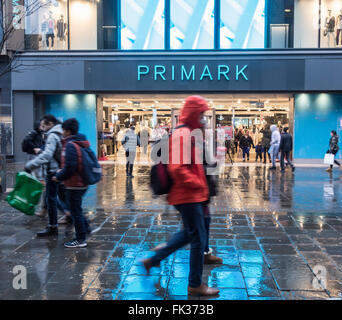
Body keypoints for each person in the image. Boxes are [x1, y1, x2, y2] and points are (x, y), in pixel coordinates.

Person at [142, 95, 219, 296]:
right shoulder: (183, 134)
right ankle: (194, 284)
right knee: (198, 239)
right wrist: (198, 184)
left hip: (191, 195)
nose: (203, 119)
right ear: (194, 113)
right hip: (187, 195)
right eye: (201, 115)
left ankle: (154, 259)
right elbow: (178, 168)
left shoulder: (189, 133)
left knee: (191, 234)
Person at [52, 118, 91, 248]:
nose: (62, 132)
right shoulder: (80, 142)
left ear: (68, 131)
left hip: (74, 183)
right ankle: (85, 230)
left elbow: (70, 167)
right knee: (76, 210)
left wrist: (59, 176)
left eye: (63, 130)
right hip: (81, 181)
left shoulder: (70, 145)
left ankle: (80, 239)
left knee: (75, 211)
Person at [25, 115, 63, 237]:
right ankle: (73, 219)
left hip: (53, 171)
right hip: (58, 170)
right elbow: (50, 153)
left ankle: (53, 227)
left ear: (50, 123)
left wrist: (30, 165)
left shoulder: (52, 135)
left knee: (51, 200)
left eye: (44, 125)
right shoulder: (59, 132)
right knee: (60, 198)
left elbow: (48, 155)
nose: (42, 128)